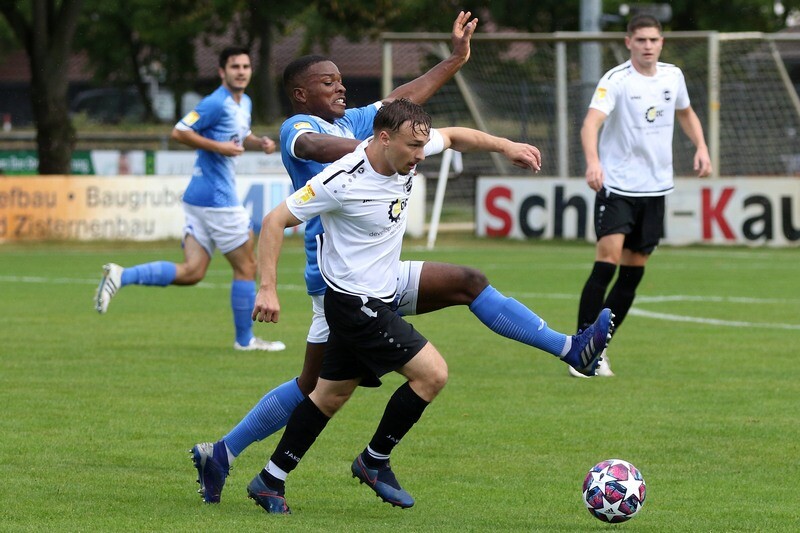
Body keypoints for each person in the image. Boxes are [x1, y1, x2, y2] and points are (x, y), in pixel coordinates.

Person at [244, 98, 613, 514]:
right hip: (355, 303)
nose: (421, 155)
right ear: (384, 139)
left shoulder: (407, 149)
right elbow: (274, 221)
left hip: (386, 283)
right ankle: (374, 460)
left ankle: (270, 479)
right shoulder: (341, 179)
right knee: (432, 374)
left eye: (423, 145)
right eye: (413, 147)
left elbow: (454, 137)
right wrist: (267, 288)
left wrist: (506, 145)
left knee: (330, 394)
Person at [93, 46, 285, 353]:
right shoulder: (215, 102)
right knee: (247, 267)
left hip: (199, 198)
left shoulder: (244, 102)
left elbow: (238, 134)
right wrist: (219, 148)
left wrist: (256, 141)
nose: (241, 72)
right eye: (234, 66)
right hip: (217, 198)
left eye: (245, 66)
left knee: (193, 271)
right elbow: (180, 131)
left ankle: (121, 275)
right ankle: (245, 340)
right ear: (222, 72)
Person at [572, 14, 711, 378]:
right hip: (617, 186)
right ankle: (580, 348)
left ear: (661, 42)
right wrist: (593, 163)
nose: (648, 46)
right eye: (641, 40)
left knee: (633, 274)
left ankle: (599, 349)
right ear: (629, 42)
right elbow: (590, 124)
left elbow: (686, 113)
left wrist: (701, 146)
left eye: (653, 40)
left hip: (656, 188)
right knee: (607, 261)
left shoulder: (673, 76)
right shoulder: (616, 80)